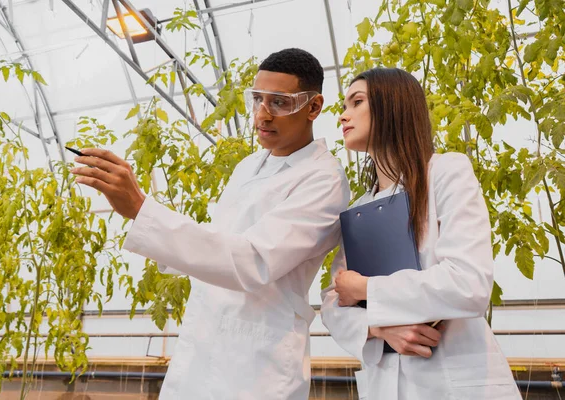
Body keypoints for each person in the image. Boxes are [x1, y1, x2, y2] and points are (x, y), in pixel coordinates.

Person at [72, 48, 350, 400]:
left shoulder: (323, 180)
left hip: (256, 365)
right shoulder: (248, 166)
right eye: (257, 99)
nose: (261, 115)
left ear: (313, 107)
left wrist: (143, 209)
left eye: (279, 103)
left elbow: (252, 261)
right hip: (201, 346)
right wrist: (144, 217)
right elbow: (218, 243)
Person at [320, 67, 521, 400]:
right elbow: (333, 302)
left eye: (357, 102)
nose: (343, 115)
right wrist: (379, 328)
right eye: (344, 106)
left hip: (457, 380)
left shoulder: (446, 172)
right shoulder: (359, 207)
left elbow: (469, 283)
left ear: (393, 104)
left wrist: (366, 288)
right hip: (385, 381)